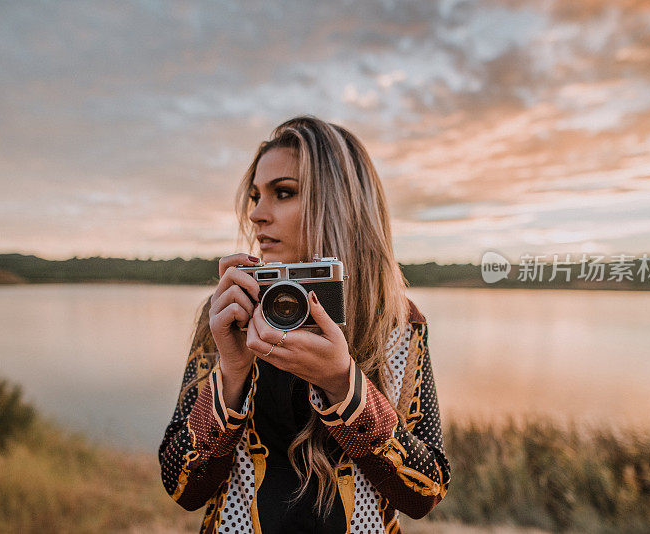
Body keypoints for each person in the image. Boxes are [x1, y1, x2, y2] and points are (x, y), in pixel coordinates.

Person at [158, 115, 450, 533]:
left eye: (283, 192)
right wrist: (232, 373)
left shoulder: (397, 322)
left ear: (340, 203)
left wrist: (344, 385)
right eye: (255, 196)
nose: (257, 213)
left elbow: (428, 490)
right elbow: (180, 485)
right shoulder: (232, 311)